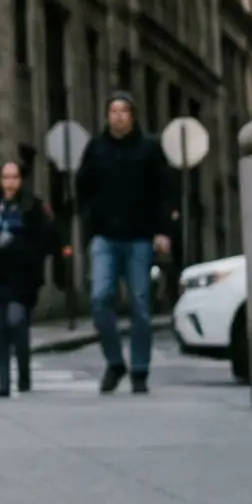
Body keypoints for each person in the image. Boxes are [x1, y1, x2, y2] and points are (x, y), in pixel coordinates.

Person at [74, 94, 177, 393]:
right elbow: (82, 187)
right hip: (105, 237)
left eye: (124, 111)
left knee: (141, 306)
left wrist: (162, 231)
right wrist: (90, 222)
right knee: (100, 299)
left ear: (133, 116)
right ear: (107, 116)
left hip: (140, 239)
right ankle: (115, 362)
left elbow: (164, 190)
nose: (118, 116)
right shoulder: (96, 148)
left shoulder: (149, 148)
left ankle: (140, 370)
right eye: (113, 111)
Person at [0, 159, 62, 397]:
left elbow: (47, 237)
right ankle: (3, 382)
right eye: (5, 177)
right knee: (0, 330)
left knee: (17, 322)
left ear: (21, 181)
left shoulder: (32, 207)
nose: (10, 183)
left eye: (14, 177)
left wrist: (32, 258)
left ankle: (23, 373)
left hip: (23, 279)